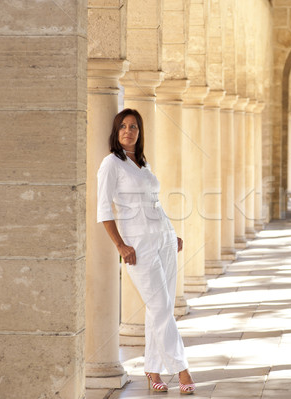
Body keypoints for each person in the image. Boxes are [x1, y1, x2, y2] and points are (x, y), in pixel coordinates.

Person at [96, 108, 195, 395]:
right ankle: (182, 369)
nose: (129, 131)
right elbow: (104, 209)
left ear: (140, 133)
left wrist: (170, 231)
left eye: (134, 127)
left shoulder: (141, 162)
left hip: (162, 239)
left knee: (158, 309)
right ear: (116, 132)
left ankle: (152, 370)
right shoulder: (111, 164)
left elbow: (154, 202)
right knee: (161, 307)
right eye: (123, 126)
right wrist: (120, 245)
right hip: (137, 245)